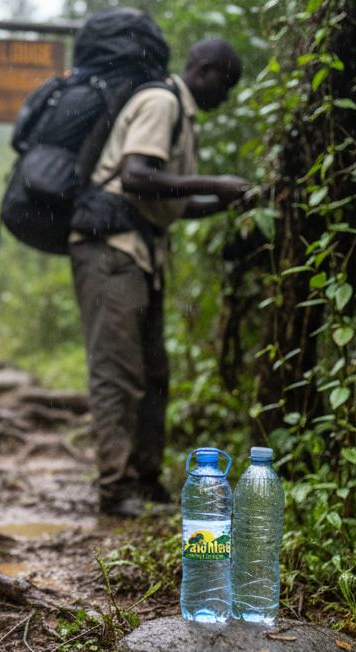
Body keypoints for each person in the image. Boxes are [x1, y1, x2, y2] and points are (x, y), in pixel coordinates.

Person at [68, 37, 252, 518]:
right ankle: (116, 489)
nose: (225, 98)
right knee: (118, 373)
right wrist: (217, 182)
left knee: (154, 374)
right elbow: (135, 177)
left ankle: (146, 482)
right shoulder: (161, 102)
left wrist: (224, 201)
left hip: (140, 253)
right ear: (205, 69)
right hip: (112, 252)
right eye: (225, 85)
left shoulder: (180, 116)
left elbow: (165, 201)